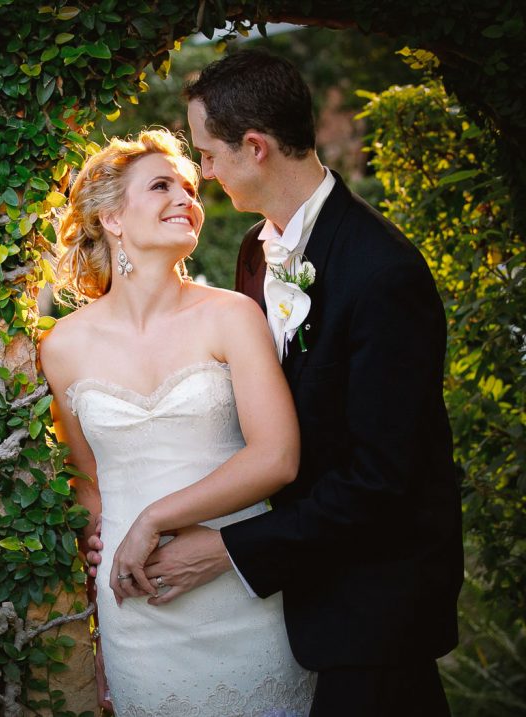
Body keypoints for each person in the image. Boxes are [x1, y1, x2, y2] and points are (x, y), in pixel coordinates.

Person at [87, 50, 464, 717]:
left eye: (208, 155)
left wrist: (228, 548)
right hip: (288, 600)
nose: (203, 173)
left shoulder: (383, 272)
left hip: (373, 608)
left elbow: (383, 479)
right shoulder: (256, 252)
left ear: (254, 148)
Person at [39, 128, 315, 716]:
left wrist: (153, 518)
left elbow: (276, 457)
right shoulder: (61, 347)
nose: (187, 199)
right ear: (112, 218)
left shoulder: (232, 316)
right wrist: (95, 570)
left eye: (190, 189)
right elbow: (88, 482)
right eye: (162, 186)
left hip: (238, 589)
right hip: (138, 608)